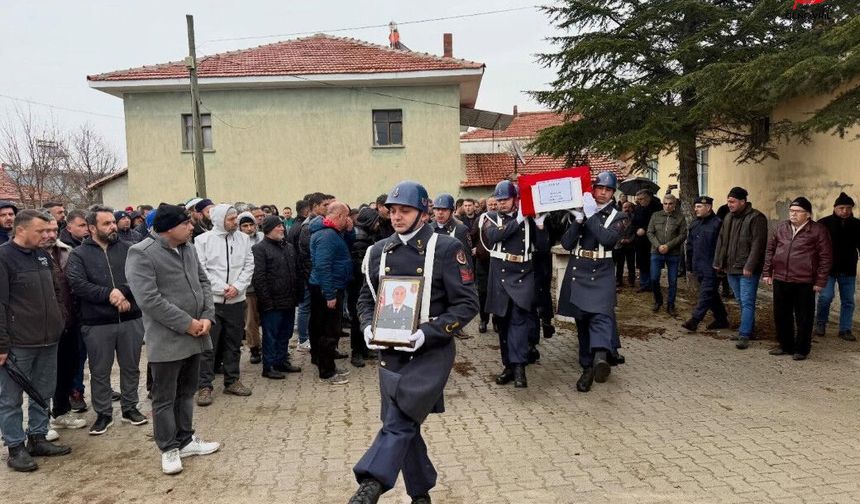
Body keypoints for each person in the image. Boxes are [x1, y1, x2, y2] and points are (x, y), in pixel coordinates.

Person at [347, 181, 479, 504]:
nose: (396, 216)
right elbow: (365, 298)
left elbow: (467, 304)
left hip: (430, 351)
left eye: (404, 210)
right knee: (402, 423)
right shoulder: (377, 251)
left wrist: (428, 332)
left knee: (402, 415)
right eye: (392, 210)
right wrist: (366, 326)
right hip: (390, 351)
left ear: (423, 212)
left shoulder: (446, 248)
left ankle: (372, 483)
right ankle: (421, 495)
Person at [126, 203, 220, 475]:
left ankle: (187, 439)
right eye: (186, 224)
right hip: (167, 339)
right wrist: (186, 323)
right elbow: (149, 299)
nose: (192, 227)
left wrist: (206, 317)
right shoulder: (141, 253)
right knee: (164, 397)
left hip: (197, 334)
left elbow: (203, 283)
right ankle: (168, 448)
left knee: (186, 392)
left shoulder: (188, 248)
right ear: (169, 228)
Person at [65, 207, 147, 435]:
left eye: (113, 222)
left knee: (131, 367)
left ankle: (130, 407)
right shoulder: (79, 255)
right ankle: (103, 413)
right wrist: (108, 295)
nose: (113, 226)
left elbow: (141, 276)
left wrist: (121, 292)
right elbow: (77, 284)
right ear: (92, 228)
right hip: (97, 323)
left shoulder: (130, 249)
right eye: (106, 223)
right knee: (99, 371)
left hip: (131, 318)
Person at [0, 210, 70, 472]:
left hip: (48, 339)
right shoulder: (3, 257)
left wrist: (59, 319)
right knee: (10, 398)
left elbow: (55, 291)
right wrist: (1, 343)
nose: (47, 235)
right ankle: (15, 447)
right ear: (21, 231)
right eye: (40, 231)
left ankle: (38, 437)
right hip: (18, 344)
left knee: (43, 392)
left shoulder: (42, 255)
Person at [558, 172, 629, 392]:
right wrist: (578, 220)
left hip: (601, 271)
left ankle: (600, 357)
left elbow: (607, 239)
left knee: (602, 315)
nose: (603, 192)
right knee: (582, 320)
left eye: (608, 190)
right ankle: (587, 367)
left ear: (612, 193)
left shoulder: (620, 216)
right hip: (579, 269)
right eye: (600, 188)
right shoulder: (581, 211)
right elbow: (567, 243)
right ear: (593, 189)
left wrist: (591, 216)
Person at [481, 180, 550, 388]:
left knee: (519, 323)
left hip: (523, 274)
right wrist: (518, 220)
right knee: (502, 323)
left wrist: (539, 224)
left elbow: (543, 246)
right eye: (498, 200)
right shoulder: (489, 218)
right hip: (500, 275)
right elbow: (493, 236)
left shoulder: (528, 220)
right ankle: (508, 366)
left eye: (506, 200)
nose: (501, 204)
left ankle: (519, 367)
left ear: (516, 200)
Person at [195, 204, 255, 405]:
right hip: (212, 302)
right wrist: (222, 288)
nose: (235, 222)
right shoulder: (202, 240)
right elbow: (201, 270)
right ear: (220, 219)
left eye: (236, 218)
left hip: (236, 301)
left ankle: (232, 380)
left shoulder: (244, 239)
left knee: (233, 343)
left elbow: (249, 265)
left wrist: (237, 287)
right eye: (231, 219)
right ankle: (204, 386)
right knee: (208, 346)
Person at [762, 197, 832, 360]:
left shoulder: (818, 230)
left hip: (804, 280)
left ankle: (801, 349)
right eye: (791, 211)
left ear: (807, 215)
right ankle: (785, 345)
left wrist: (820, 281)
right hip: (781, 278)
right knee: (781, 314)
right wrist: (767, 272)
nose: (793, 214)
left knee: (804, 316)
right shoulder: (781, 228)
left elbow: (825, 258)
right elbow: (770, 251)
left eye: (797, 211)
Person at [41, 215, 87, 436]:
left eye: (53, 230)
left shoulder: (66, 251)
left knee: (66, 369)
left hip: (69, 322)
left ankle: (61, 412)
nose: (50, 234)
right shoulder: (22, 255)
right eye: (45, 230)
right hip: (39, 328)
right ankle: (40, 422)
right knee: (41, 375)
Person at [713, 186, 769, 349]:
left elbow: (758, 244)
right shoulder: (728, 217)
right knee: (740, 300)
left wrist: (750, 266)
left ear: (743, 201)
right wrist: (718, 261)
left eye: (732, 201)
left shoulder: (757, 218)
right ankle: (748, 329)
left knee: (747, 301)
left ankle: (744, 334)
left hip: (747, 270)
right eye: (728, 201)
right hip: (731, 267)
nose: (729, 204)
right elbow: (722, 240)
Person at [308, 201, 355, 385]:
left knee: (324, 329)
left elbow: (344, 249)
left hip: (330, 286)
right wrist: (329, 294)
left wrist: (349, 232)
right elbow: (323, 266)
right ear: (340, 216)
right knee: (329, 331)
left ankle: (326, 364)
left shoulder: (332, 232)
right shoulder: (327, 236)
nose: (349, 220)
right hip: (328, 288)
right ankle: (327, 372)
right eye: (347, 216)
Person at [251, 215, 302, 379]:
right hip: (272, 302)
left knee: (285, 334)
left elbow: (296, 271)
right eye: (277, 227)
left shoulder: (289, 247)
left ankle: (281, 361)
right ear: (267, 230)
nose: (282, 229)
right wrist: (266, 301)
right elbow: (259, 277)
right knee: (271, 336)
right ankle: (269, 366)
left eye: (282, 226)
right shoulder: (260, 249)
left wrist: (297, 295)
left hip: (289, 300)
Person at [815, 192, 860, 341]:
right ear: (835, 208)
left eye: (848, 208)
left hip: (848, 269)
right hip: (827, 269)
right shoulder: (823, 223)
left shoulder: (857, 225)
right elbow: (815, 246)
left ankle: (845, 329)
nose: (845, 211)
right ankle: (821, 323)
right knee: (826, 297)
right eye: (841, 208)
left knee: (848, 300)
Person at [682, 197, 729, 332]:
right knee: (711, 294)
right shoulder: (694, 224)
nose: (695, 209)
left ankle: (694, 320)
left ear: (708, 207)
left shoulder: (718, 224)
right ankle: (721, 319)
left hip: (712, 266)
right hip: (699, 266)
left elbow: (723, 246)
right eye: (695, 206)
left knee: (705, 294)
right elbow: (689, 246)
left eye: (699, 206)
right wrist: (689, 266)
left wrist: (720, 264)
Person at [348, 207, 381, 368]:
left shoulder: (365, 234)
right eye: (376, 221)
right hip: (358, 284)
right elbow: (361, 265)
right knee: (357, 318)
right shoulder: (360, 237)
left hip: (360, 283)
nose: (378, 224)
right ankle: (357, 352)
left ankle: (364, 349)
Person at [646, 194, 687, 317]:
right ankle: (658, 301)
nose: (668, 206)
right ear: (662, 204)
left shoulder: (680, 217)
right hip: (656, 251)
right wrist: (658, 246)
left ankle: (670, 305)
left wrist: (668, 246)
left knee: (673, 281)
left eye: (670, 204)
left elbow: (683, 235)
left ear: (674, 204)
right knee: (654, 278)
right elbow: (650, 232)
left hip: (673, 253)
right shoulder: (655, 215)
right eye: (665, 203)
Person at [238, 211, 264, 364]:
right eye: (245, 226)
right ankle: (254, 348)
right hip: (249, 288)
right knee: (250, 321)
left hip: (265, 286)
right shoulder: (237, 242)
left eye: (251, 225)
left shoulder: (261, 238)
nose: (249, 228)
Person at [631, 190, 662, 292]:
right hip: (640, 241)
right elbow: (633, 222)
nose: (639, 201)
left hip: (653, 240)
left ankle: (653, 284)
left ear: (648, 197)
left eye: (641, 199)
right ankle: (644, 283)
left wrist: (644, 229)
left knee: (653, 262)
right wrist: (636, 230)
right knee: (642, 262)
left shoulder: (657, 207)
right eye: (638, 199)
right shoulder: (638, 208)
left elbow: (657, 223)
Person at [613, 201, 637, 287]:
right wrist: (620, 240)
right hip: (620, 245)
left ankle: (631, 281)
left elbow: (635, 232)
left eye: (629, 207)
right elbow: (614, 231)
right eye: (625, 207)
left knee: (631, 264)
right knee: (620, 264)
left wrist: (630, 240)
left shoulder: (635, 219)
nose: (627, 209)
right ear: (622, 208)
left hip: (631, 245)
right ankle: (619, 280)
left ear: (632, 208)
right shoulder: (617, 219)